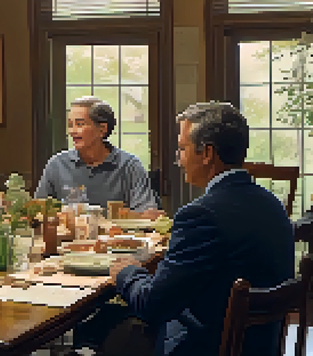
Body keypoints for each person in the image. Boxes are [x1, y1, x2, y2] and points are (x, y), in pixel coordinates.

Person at [76, 102, 295, 356]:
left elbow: (153, 305)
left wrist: (126, 271)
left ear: (207, 154)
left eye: (182, 148)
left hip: (208, 346)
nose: (178, 160)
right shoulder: (273, 205)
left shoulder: (200, 215)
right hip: (261, 345)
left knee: (103, 327)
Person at [35, 96, 163, 219]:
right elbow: (38, 213)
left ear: (102, 129)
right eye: (70, 125)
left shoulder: (129, 166)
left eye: (80, 124)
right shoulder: (57, 165)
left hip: (117, 240)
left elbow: (147, 214)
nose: (72, 131)